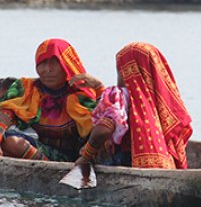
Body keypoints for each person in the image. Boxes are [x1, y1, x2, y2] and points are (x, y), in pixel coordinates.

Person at [0, 38, 102, 174]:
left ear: (67, 64)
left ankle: (45, 169)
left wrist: (99, 88)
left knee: (12, 143)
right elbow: (6, 115)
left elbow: (102, 125)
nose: (47, 69)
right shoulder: (27, 88)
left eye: (54, 62)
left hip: (69, 159)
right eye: (42, 63)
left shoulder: (81, 94)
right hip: (35, 147)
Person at [69, 42, 193, 170]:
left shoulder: (119, 96)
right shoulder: (161, 103)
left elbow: (103, 130)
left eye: (119, 70)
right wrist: (99, 88)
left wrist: (86, 155)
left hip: (126, 161)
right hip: (164, 165)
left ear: (127, 71)